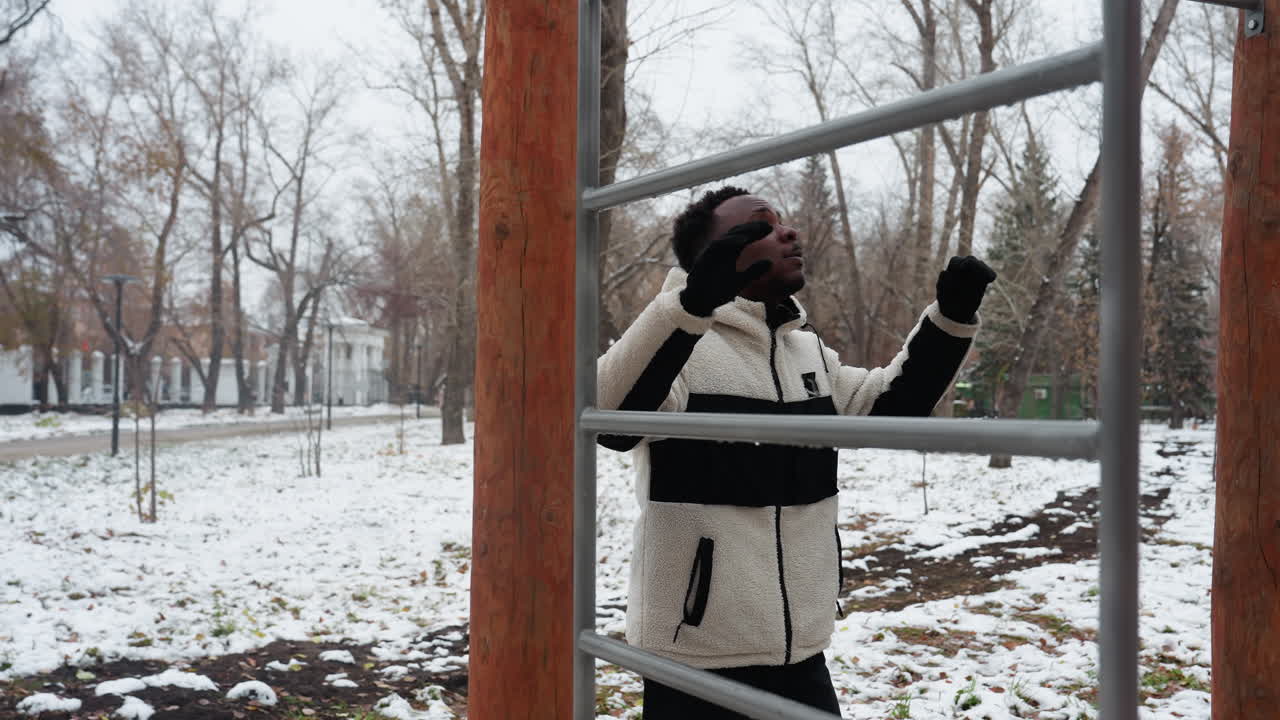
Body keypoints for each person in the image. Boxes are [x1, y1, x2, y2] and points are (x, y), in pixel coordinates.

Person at [596, 186, 997, 718]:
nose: (787, 232)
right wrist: (692, 303)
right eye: (760, 226)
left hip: (801, 650)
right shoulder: (677, 344)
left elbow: (889, 407)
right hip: (694, 658)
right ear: (714, 254)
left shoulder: (805, 350)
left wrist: (950, 318)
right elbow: (611, 418)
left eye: (781, 221)